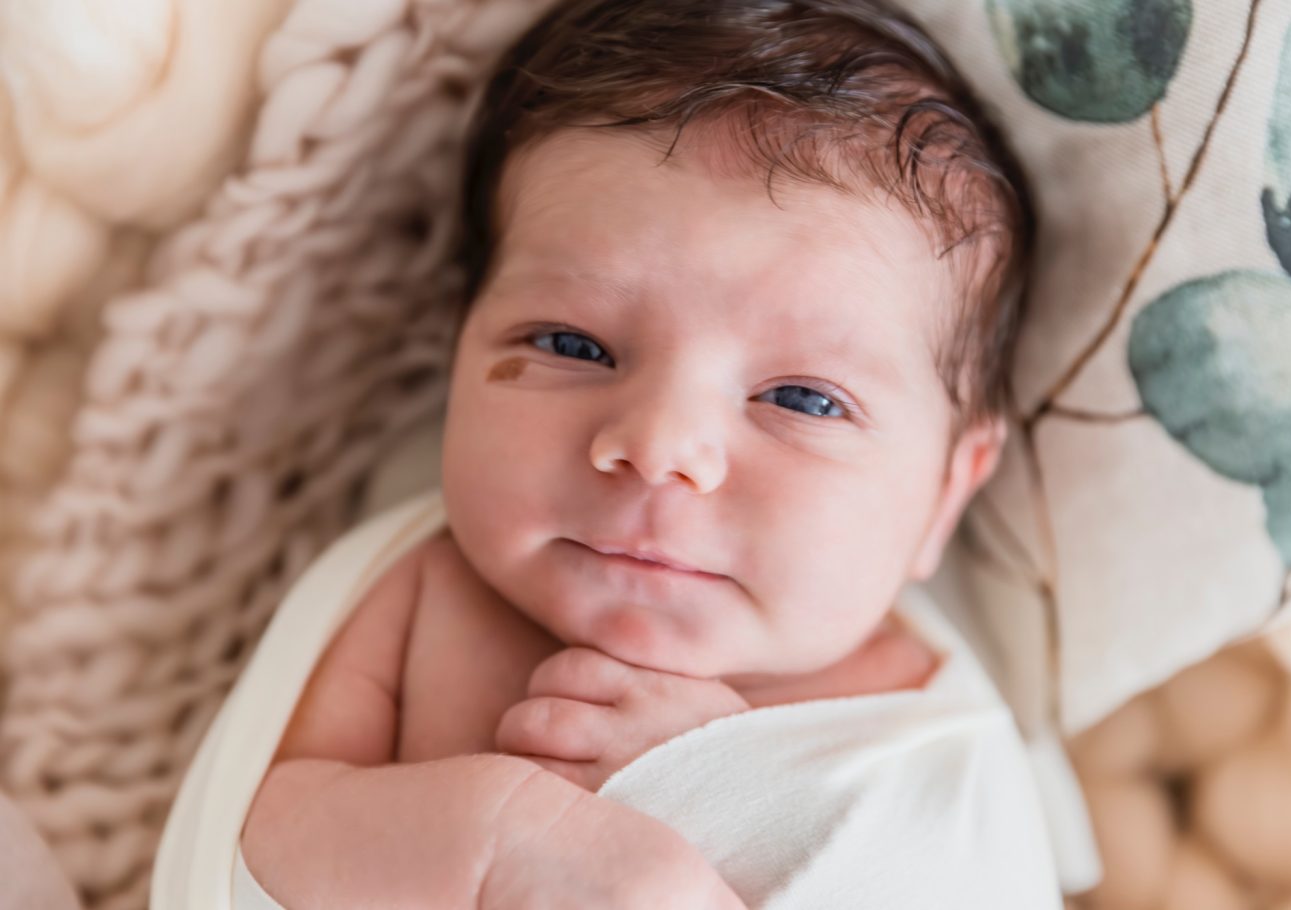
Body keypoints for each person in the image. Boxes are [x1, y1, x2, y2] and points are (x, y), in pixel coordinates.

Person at [182, 0, 1065, 905]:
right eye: (572, 346)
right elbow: (253, 832)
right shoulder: (418, 595)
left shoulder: (925, 730)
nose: (657, 448)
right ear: (459, 353)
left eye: (802, 399)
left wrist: (735, 793)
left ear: (945, 495)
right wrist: (501, 838)